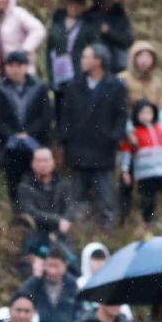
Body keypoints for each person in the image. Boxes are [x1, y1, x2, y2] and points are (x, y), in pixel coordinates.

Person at [56, 45, 127, 229]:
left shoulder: (116, 85)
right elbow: (66, 116)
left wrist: (114, 138)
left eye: (86, 57)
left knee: (106, 197)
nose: (82, 61)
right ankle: (73, 231)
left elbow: (121, 115)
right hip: (77, 147)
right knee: (74, 195)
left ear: (98, 61)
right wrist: (65, 141)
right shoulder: (74, 85)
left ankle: (107, 231)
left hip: (103, 148)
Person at [0, 50, 54, 203]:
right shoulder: (0, 89)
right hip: (10, 145)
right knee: (13, 183)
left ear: (26, 67)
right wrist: (12, 134)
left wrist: (28, 133)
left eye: (19, 65)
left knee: (37, 181)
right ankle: (18, 218)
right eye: (11, 65)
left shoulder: (39, 87)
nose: (15, 69)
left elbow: (46, 116)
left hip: (35, 143)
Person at [16, 246, 82, 322]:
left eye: (56, 266)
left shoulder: (72, 285)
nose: (52, 271)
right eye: (49, 265)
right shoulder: (37, 282)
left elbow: (80, 311)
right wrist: (35, 278)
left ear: (65, 266)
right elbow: (19, 297)